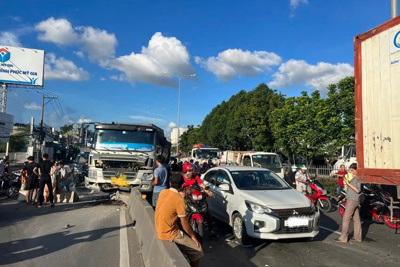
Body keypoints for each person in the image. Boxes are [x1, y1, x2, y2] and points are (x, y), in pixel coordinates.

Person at [155, 172, 203, 267]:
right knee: (198, 252)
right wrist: (193, 237)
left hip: (159, 228)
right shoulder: (179, 200)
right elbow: (184, 224)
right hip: (170, 234)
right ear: (182, 185)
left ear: (170, 184)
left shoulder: (163, 192)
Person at [182, 163, 217, 238]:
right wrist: (181, 193)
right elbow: (178, 188)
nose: (191, 172)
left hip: (196, 197)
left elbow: (202, 185)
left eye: (192, 170)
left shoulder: (196, 177)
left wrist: (208, 192)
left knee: (206, 210)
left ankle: (211, 230)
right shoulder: (182, 178)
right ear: (185, 171)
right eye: (189, 171)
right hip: (185, 199)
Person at [335, 163, 362, 243]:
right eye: (351, 170)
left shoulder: (358, 178)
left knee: (346, 219)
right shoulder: (356, 177)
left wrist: (348, 183)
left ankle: (343, 238)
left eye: (353, 170)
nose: (352, 172)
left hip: (353, 200)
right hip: (354, 199)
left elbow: (358, 190)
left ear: (357, 170)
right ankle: (357, 237)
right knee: (356, 219)